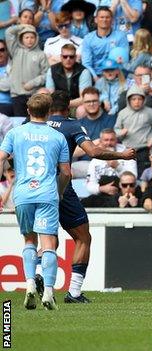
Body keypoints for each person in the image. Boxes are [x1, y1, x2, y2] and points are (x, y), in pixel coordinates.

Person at [46, 91, 136, 303]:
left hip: (33, 188)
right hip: (61, 186)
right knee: (83, 237)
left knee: (44, 238)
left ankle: (37, 281)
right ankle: (74, 292)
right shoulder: (72, 125)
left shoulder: (30, 127)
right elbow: (93, 152)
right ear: (68, 107)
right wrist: (121, 155)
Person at [0, 93, 71, 310]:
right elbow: (66, 172)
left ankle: (30, 283)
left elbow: (1, 157)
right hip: (47, 193)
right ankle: (48, 291)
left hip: (22, 194)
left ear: (29, 111)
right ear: (49, 112)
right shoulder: (58, 136)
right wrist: (59, 192)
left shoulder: (15, 132)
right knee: (48, 244)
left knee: (29, 241)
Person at [115, 85, 152, 176]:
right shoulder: (123, 113)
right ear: (128, 100)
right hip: (128, 150)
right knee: (128, 175)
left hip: (144, 149)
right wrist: (120, 132)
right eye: (133, 99)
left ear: (144, 100)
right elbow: (116, 129)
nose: (137, 102)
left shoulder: (149, 112)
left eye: (139, 99)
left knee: (144, 175)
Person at [6, 24, 49, 117]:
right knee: (19, 122)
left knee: (34, 120)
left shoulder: (41, 54)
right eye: (26, 37)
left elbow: (46, 74)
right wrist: (23, 26)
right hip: (17, 95)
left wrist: (32, 83)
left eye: (32, 37)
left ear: (36, 38)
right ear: (21, 38)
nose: (29, 40)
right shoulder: (15, 51)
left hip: (34, 95)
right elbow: (8, 32)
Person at [85, 129, 138, 196]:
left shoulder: (127, 154)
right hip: (102, 195)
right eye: (106, 140)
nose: (109, 143)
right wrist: (101, 189)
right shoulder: (95, 160)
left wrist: (118, 167)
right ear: (100, 141)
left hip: (123, 193)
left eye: (112, 140)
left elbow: (134, 178)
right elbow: (89, 185)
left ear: (116, 140)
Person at [81, 6, 129, 78]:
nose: (104, 20)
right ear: (96, 20)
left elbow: (124, 59)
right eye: (102, 17)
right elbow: (86, 63)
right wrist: (94, 77)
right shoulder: (88, 38)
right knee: (85, 74)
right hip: (96, 74)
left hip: (115, 74)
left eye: (107, 17)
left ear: (112, 20)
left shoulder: (120, 36)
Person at [45, 43, 92, 108]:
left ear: (75, 57)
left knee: (82, 110)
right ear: (61, 57)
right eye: (65, 56)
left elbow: (84, 98)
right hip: (57, 106)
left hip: (77, 106)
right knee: (43, 93)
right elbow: (50, 95)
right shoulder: (52, 70)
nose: (68, 59)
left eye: (71, 57)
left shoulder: (84, 71)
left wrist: (63, 105)